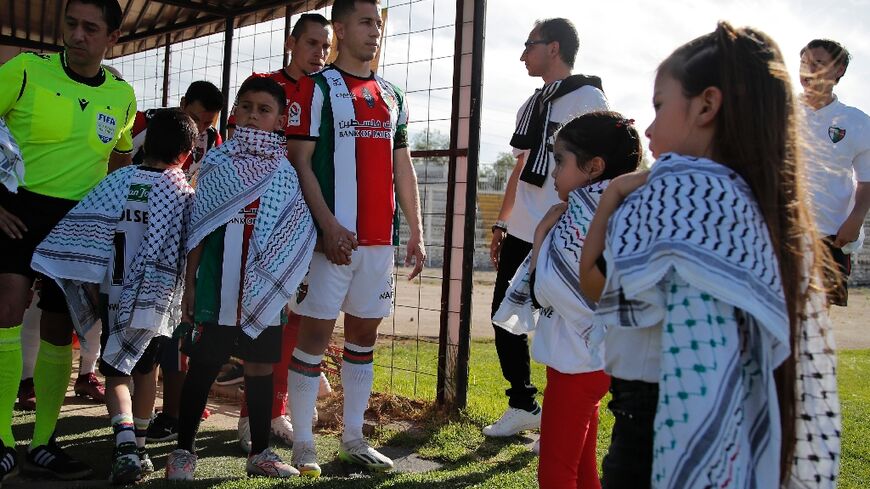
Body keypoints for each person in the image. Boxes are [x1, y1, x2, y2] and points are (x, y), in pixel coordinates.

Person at [579, 22, 841, 489]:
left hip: (649, 428)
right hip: (734, 420)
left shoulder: (672, 189)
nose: (652, 127)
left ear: (706, 105)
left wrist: (613, 195)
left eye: (660, 106)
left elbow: (597, 283)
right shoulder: (765, 204)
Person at [285, 0, 425, 477]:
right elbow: (299, 161)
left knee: (363, 338)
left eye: (379, 24)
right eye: (366, 23)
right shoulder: (316, 88)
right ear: (340, 29)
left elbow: (401, 166)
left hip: (377, 244)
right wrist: (326, 224)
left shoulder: (393, 94)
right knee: (314, 339)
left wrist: (417, 232)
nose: (375, 32)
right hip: (331, 240)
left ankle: (353, 440)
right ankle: (304, 444)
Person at [0, 0, 135, 480]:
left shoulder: (122, 95)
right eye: (72, 25)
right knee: (8, 308)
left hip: (77, 224)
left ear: (111, 39)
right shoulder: (24, 70)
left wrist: (108, 219)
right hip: (16, 210)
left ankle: (42, 444)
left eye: (90, 28)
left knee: (61, 329)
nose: (78, 35)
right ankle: (0, 440)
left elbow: (121, 159)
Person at [32, 109, 197, 483]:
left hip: (114, 293)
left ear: (145, 143)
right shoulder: (182, 192)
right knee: (145, 371)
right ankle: (138, 446)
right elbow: (192, 246)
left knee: (117, 370)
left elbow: (85, 229)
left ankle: (123, 444)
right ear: (187, 153)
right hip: (155, 301)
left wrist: (86, 280)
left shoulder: (118, 180)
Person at [164, 76, 316, 481]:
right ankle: (183, 451)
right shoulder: (216, 162)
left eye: (264, 110)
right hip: (218, 283)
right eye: (246, 106)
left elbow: (295, 230)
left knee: (261, 368)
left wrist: (283, 282)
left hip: (265, 288)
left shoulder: (285, 171)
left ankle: (261, 453)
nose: (253, 115)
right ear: (234, 112)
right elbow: (198, 229)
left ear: (280, 119)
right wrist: (191, 284)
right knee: (203, 365)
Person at [494, 111, 641, 488]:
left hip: (577, 362)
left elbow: (547, 288)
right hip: (591, 358)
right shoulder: (608, 209)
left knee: (556, 472)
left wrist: (542, 231)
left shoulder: (583, 217)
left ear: (593, 167)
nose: (554, 172)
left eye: (560, 161)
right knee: (582, 467)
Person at [485, 17, 609, 438]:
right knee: (505, 315)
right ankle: (524, 405)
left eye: (529, 45)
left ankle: (567, 421)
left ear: (553, 48)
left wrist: (578, 220)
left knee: (565, 322)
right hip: (523, 227)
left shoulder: (588, 96)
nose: (523, 54)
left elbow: (598, 168)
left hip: (565, 228)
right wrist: (504, 220)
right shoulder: (532, 104)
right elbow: (520, 168)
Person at [227, 13, 334, 453]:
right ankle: (252, 416)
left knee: (297, 314)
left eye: (325, 47)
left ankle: (276, 409)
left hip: (309, 218)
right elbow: (235, 143)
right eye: (312, 43)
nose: (319, 54)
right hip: (257, 219)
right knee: (261, 313)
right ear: (292, 42)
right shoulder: (264, 84)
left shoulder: (328, 89)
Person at [136, 80, 224, 444]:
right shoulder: (150, 124)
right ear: (182, 103)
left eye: (207, 123)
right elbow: (123, 163)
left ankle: (173, 412)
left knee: (177, 331)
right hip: (144, 236)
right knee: (143, 334)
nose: (201, 130)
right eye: (196, 119)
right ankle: (135, 415)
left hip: (187, 240)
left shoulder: (214, 140)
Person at [799, 39, 870, 307]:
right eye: (804, 63)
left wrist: (856, 219)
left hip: (829, 235)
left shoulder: (857, 122)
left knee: (816, 319)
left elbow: (867, 179)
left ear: (839, 69)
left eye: (817, 63)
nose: (807, 70)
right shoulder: (777, 114)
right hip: (780, 230)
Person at [131, 80, 224, 182]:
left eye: (207, 123)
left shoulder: (212, 139)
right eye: (194, 118)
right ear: (183, 103)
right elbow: (118, 162)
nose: (199, 128)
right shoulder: (143, 123)